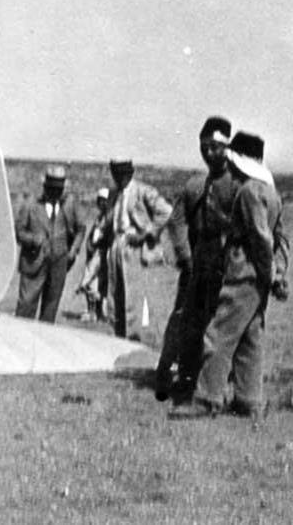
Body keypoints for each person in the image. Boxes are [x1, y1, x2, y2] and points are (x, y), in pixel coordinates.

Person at [170, 131, 289, 421]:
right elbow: (278, 237)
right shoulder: (271, 192)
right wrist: (276, 273)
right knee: (250, 337)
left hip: (244, 272)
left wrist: (269, 274)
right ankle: (248, 400)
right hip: (258, 277)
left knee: (218, 334)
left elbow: (261, 238)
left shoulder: (248, 192)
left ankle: (206, 398)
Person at [155, 117, 238, 402]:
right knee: (186, 321)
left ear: (228, 147)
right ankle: (179, 375)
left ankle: (219, 381)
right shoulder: (194, 186)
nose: (209, 153)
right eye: (204, 147)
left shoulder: (237, 184)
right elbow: (176, 222)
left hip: (225, 267)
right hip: (195, 267)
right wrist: (186, 258)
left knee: (220, 325)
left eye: (215, 147)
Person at [102, 159, 173, 338]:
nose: (119, 177)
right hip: (116, 245)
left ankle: (132, 338)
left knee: (131, 297)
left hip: (133, 248)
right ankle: (117, 338)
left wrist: (146, 233)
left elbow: (166, 212)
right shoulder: (113, 194)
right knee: (114, 297)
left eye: (122, 173)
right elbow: (108, 220)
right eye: (115, 173)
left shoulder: (143, 191)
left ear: (130, 173)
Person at [14, 166, 85, 323]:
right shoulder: (30, 204)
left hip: (58, 265)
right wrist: (33, 239)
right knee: (26, 308)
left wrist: (73, 250)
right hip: (33, 264)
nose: (56, 193)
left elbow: (81, 228)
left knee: (50, 311)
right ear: (45, 186)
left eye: (59, 189)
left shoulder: (69, 204)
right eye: (52, 188)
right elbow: (18, 232)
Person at [76, 188, 111, 322]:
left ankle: (98, 312)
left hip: (101, 255)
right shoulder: (99, 217)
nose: (102, 203)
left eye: (104, 201)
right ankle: (93, 312)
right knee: (92, 283)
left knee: (96, 284)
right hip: (94, 255)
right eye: (100, 201)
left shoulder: (109, 219)